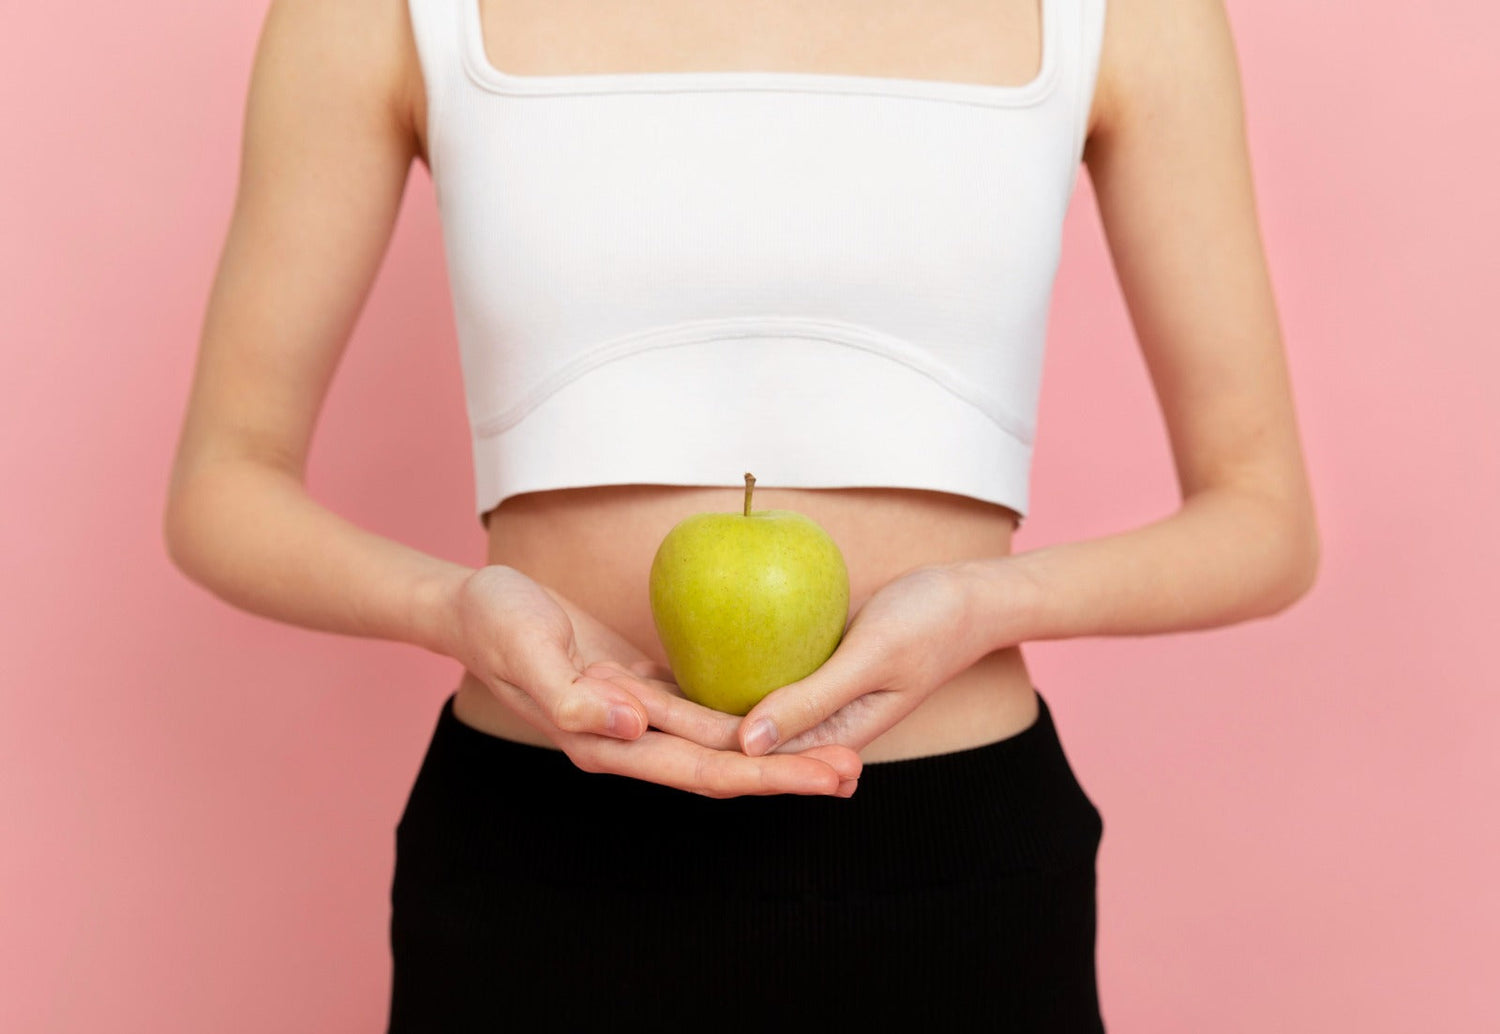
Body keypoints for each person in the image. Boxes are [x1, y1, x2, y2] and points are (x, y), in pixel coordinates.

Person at [163, 0, 1320, 1029]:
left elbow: (1263, 518)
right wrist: (456, 605)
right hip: (541, 861)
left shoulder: (1129, 15)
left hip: (953, 869)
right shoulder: (377, 15)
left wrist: (981, 602)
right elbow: (225, 481)